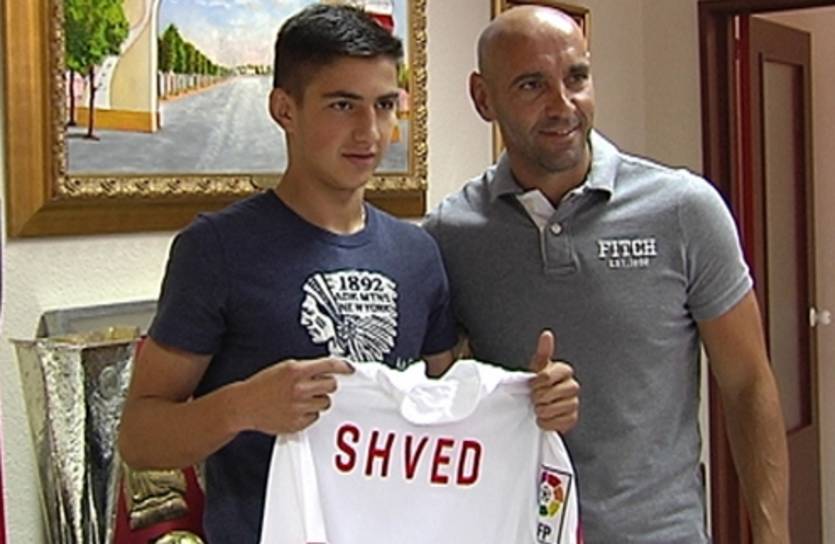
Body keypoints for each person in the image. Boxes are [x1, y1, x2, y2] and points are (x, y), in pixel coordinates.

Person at [119, 5, 576, 542]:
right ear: (284, 109)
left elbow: (444, 406)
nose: (370, 131)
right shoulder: (216, 250)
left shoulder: (418, 253)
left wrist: (526, 401)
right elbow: (139, 437)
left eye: (385, 105)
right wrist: (242, 407)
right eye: (343, 105)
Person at [423, 6, 789, 544]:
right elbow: (439, 399)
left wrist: (773, 534)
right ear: (483, 98)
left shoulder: (683, 210)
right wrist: (510, 393)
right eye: (532, 85)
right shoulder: (449, 235)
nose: (562, 105)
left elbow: (748, 382)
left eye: (576, 77)